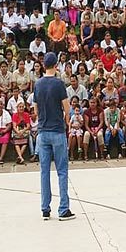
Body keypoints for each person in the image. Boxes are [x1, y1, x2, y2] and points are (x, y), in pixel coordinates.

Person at [34, 52, 75, 221]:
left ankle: (45, 208)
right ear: (56, 65)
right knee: (62, 171)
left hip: (42, 131)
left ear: (43, 65)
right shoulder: (59, 84)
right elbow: (67, 108)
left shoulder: (38, 84)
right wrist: (66, 121)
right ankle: (63, 208)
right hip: (57, 130)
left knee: (44, 171)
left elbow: (35, 109)